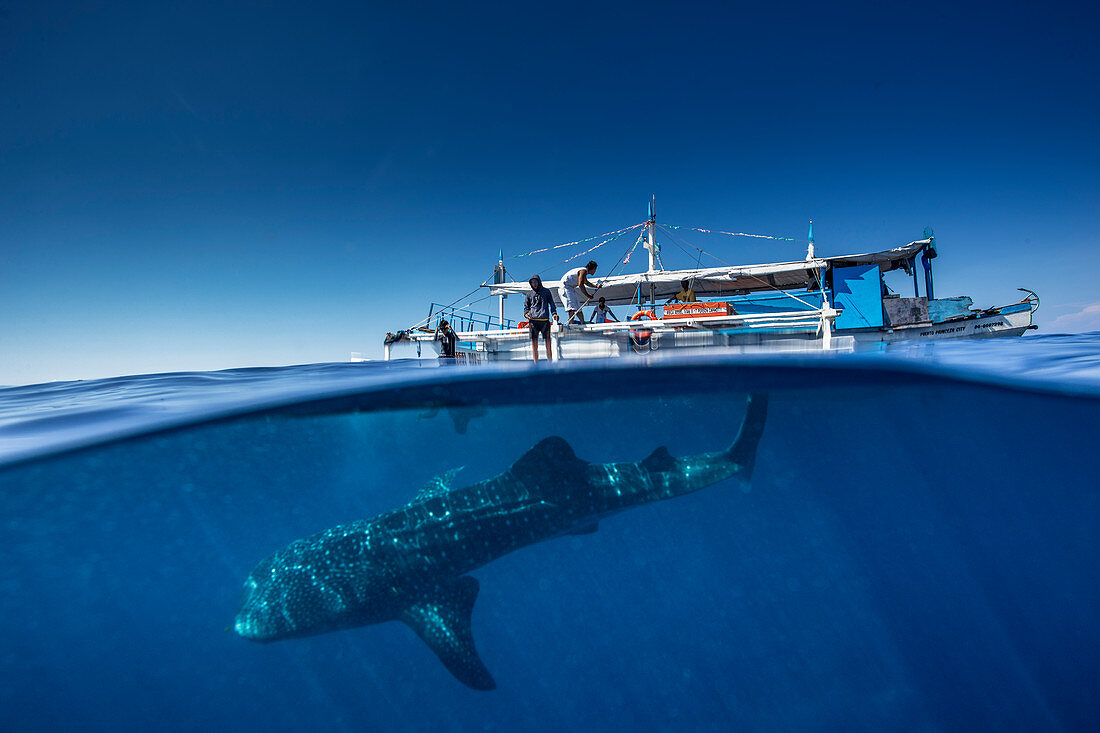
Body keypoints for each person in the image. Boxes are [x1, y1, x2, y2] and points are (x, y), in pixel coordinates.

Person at [523, 274, 559, 362]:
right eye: (532, 282)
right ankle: (536, 363)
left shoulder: (546, 292)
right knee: (534, 343)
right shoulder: (529, 294)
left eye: (535, 282)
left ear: (539, 282)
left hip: (544, 320)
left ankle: (550, 362)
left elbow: (552, 304)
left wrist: (554, 314)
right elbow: (526, 308)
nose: (534, 284)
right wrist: (526, 315)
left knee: (548, 342)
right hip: (533, 321)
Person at [559, 260, 599, 325]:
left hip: (571, 288)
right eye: (595, 270)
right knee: (572, 308)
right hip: (565, 287)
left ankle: (583, 323)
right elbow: (580, 284)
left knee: (578, 307)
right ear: (593, 269)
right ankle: (571, 324)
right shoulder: (583, 271)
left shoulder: (584, 273)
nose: (595, 271)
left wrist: (596, 286)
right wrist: (587, 295)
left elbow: (586, 283)